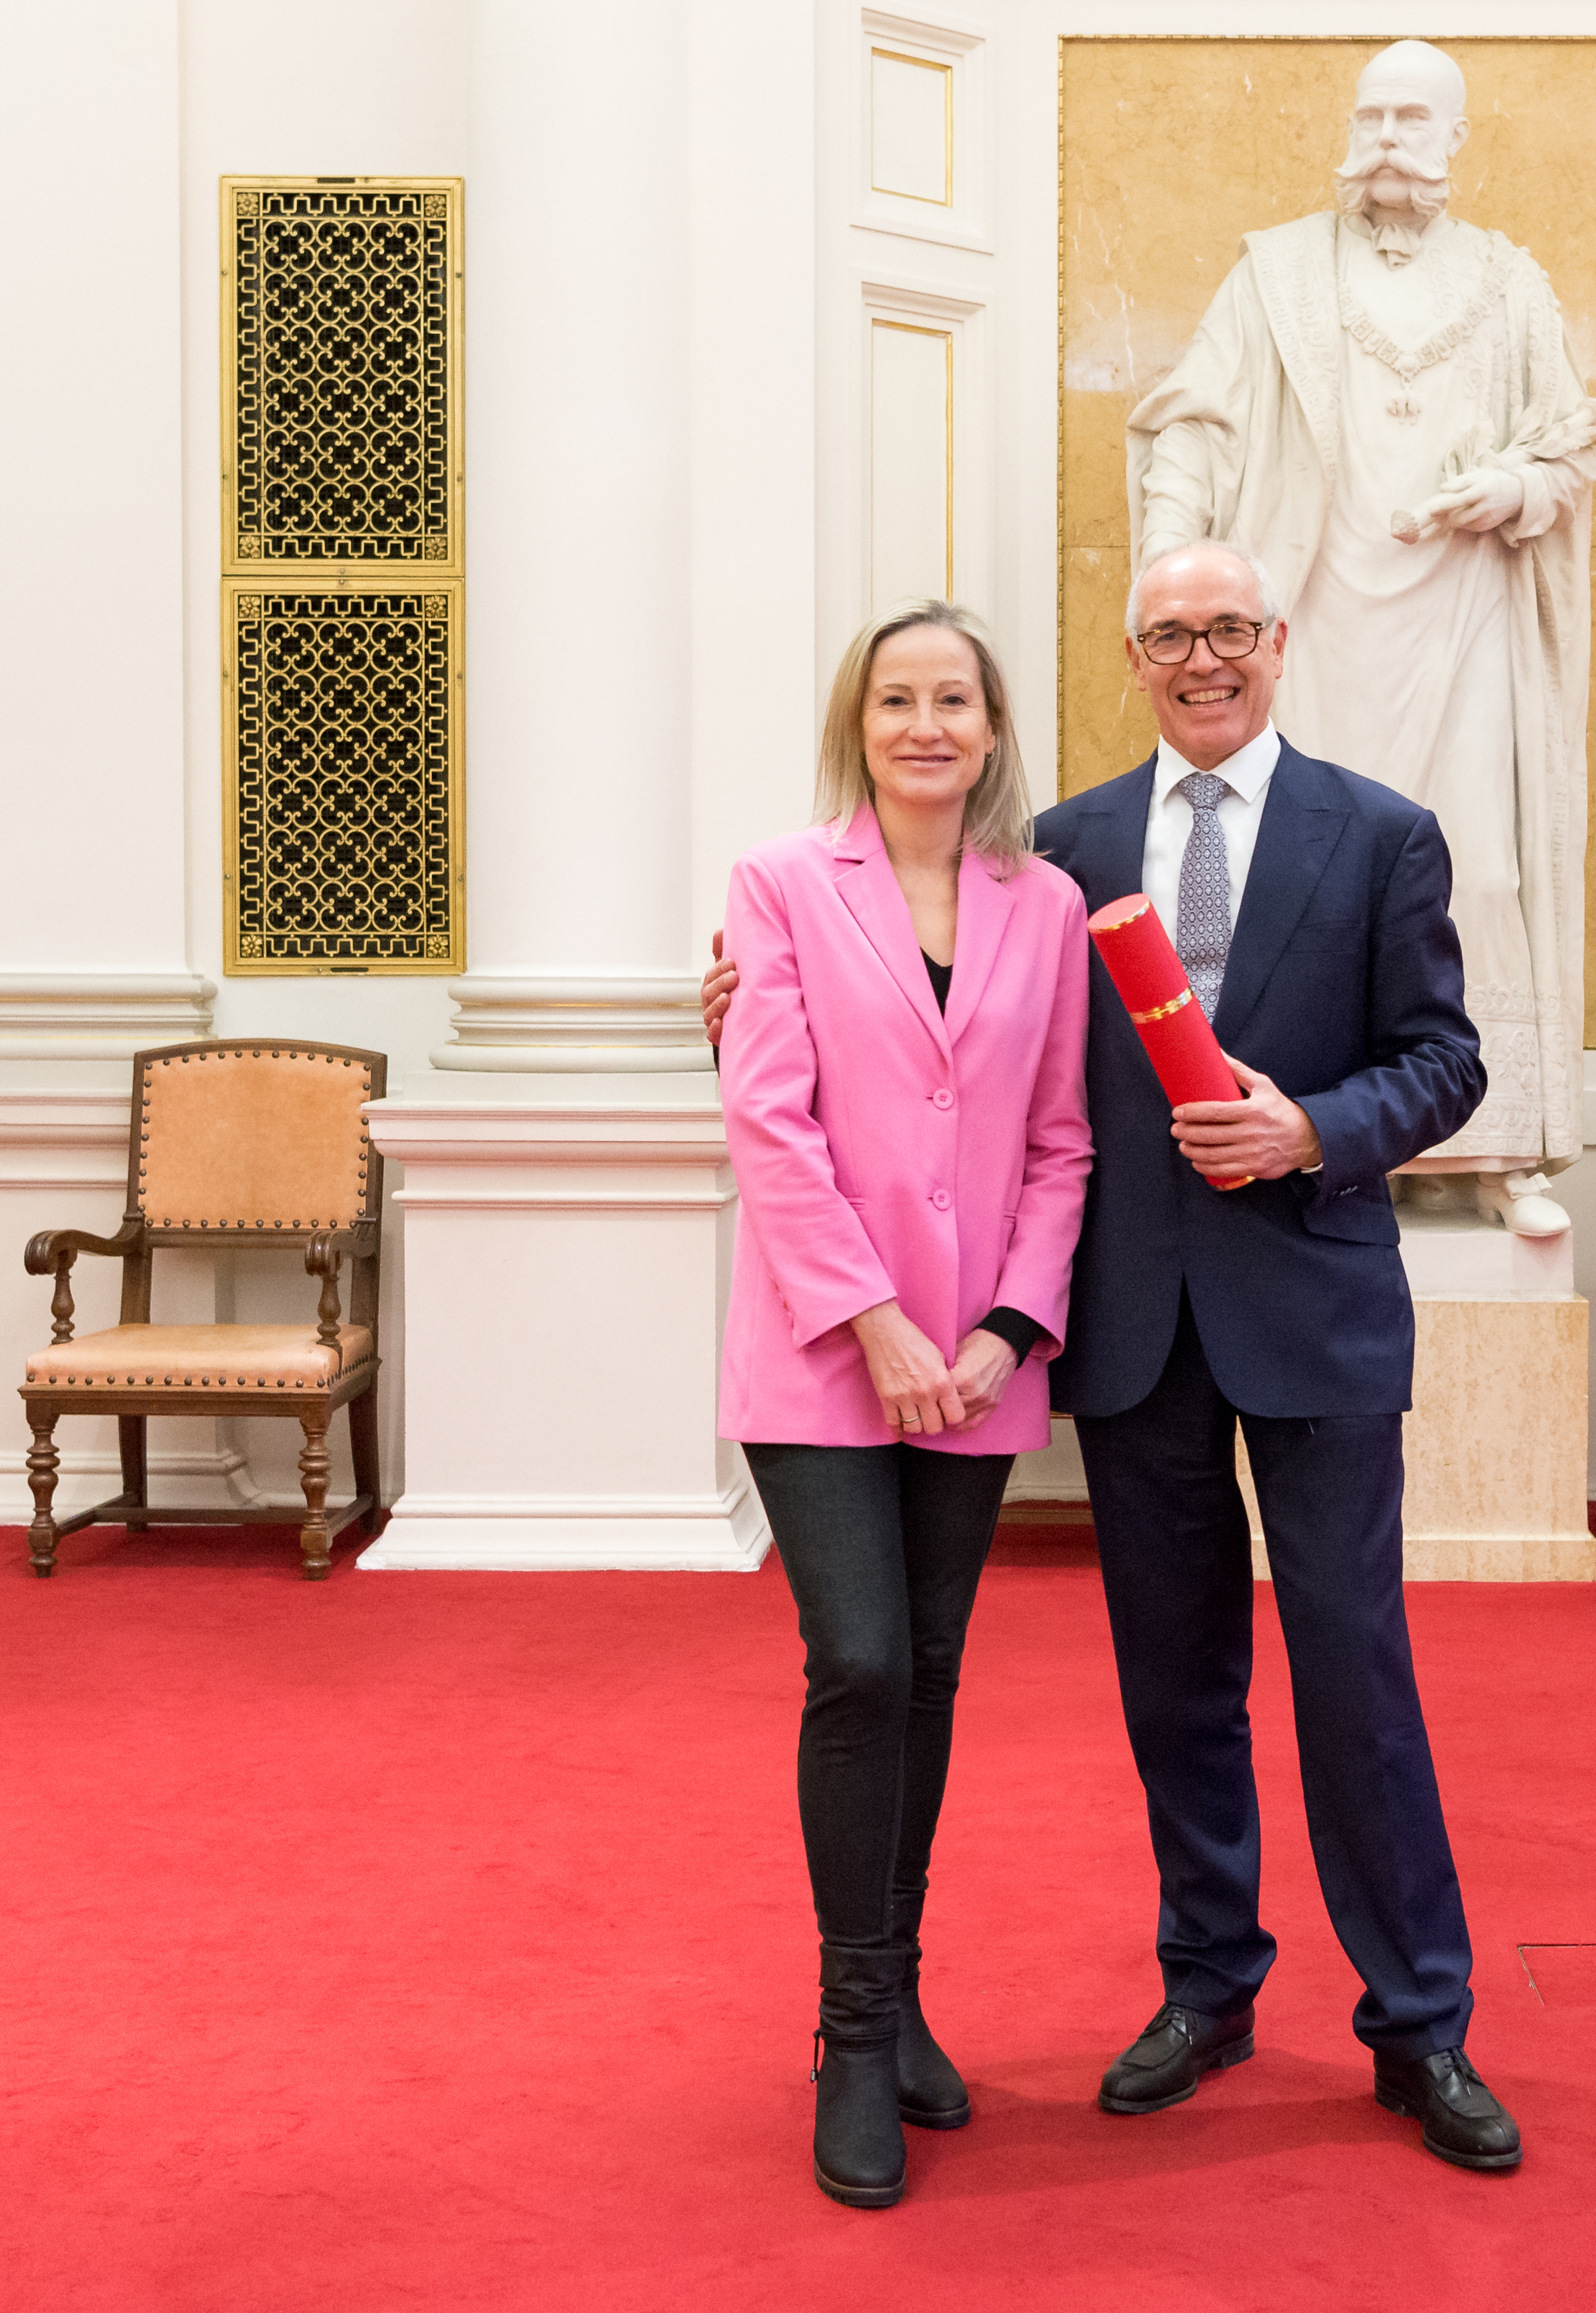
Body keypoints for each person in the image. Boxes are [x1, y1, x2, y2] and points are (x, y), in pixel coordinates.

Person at [706, 542, 1523, 2173]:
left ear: (1279, 646)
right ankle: (1209, 1986)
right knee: (1177, 1687)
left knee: (1359, 1682)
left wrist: (1313, 1124)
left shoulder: (1381, 834)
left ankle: (1419, 2023)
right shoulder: (1059, 851)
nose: (1203, 657)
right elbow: (931, 1035)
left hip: (1316, 1321)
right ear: (1133, 658)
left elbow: (1448, 1062)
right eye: (1170, 635)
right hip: (1132, 1330)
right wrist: (720, 1005)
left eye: (1230, 630)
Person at [716, 599, 1092, 2208]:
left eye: (954, 700)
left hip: (981, 1361)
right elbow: (772, 1125)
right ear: (856, 728)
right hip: (821, 1352)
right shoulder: (783, 886)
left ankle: (906, 1989)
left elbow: (1062, 1139)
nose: (926, 725)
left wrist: (1014, 1325)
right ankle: (853, 2032)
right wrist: (871, 1322)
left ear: (995, 730)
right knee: (858, 1660)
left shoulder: (1051, 902)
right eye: (896, 702)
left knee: (932, 1671)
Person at [1128, 38, 1596, 1237]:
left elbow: (1566, 449)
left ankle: (1496, 1152)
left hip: (1464, 620)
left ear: (1455, 138)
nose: (1388, 139)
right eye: (1372, 115)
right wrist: (1170, 545)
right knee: (1301, 887)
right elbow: (1196, 419)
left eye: (1413, 119)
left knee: (1479, 869)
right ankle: (1299, 1128)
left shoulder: (1511, 284)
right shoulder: (1277, 275)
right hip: (1311, 621)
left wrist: (1513, 494)